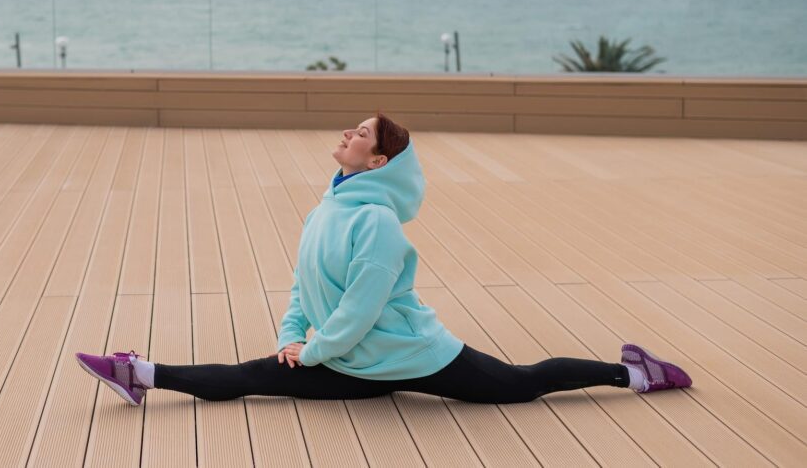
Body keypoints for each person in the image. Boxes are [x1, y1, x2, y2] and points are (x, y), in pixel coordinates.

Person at [76, 112, 692, 407]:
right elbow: (306, 284)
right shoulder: (327, 209)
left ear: (378, 163)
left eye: (361, 134)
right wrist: (293, 336)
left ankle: (634, 372)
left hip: (415, 356)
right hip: (352, 362)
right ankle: (141, 373)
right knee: (254, 376)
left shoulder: (376, 223)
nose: (347, 133)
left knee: (521, 385)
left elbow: (363, 307)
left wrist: (312, 351)